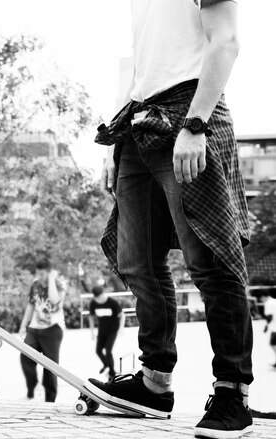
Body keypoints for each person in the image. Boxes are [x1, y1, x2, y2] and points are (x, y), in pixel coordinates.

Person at [88, 1, 253, 438]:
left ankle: (232, 392)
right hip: (139, 119)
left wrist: (196, 124)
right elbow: (142, 66)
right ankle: (154, 382)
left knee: (211, 259)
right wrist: (112, 145)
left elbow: (226, 41)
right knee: (136, 259)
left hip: (191, 109)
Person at [18, 259, 65, 402]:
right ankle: (32, 390)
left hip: (53, 330)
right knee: (25, 356)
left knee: (50, 367)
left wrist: (51, 279)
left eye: (43, 274)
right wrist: (23, 325)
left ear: (49, 273)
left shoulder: (59, 285)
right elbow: (31, 305)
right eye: (38, 274)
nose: (40, 277)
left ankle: (50, 400)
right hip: (35, 329)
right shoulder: (35, 285)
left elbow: (54, 300)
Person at [89, 286, 125, 379]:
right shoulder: (93, 303)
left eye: (101, 297)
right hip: (102, 330)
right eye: (98, 299)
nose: (100, 300)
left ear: (103, 294)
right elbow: (91, 317)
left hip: (113, 330)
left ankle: (112, 373)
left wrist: (121, 329)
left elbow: (122, 315)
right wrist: (92, 332)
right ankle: (106, 364)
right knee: (98, 351)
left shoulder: (112, 302)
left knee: (108, 351)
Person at [262, 292, 276, 368]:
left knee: (272, 344)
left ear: (263, 297)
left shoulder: (268, 303)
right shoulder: (274, 301)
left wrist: (266, 326)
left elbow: (270, 316)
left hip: (275, 328)